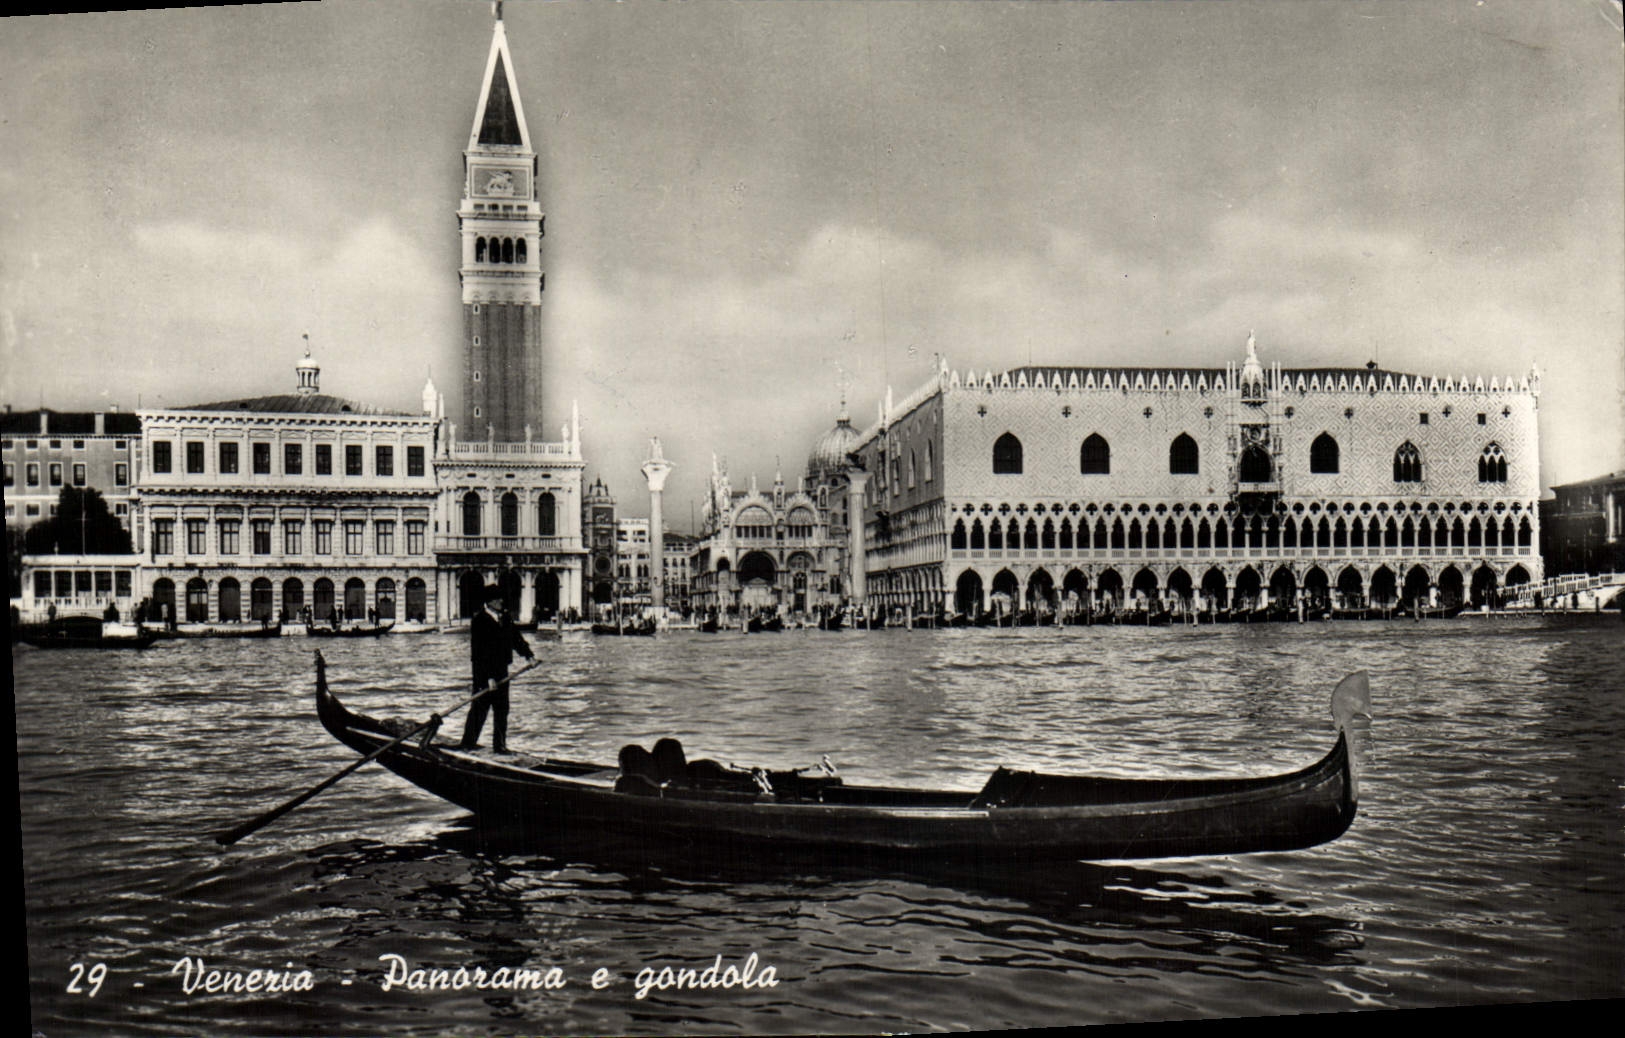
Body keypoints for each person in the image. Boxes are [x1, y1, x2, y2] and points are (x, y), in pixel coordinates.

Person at [460, 584, 534, 753]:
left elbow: (516, 639)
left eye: (500, 598)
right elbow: (478, 653)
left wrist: (529, 655)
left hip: (502, 672)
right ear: (489, 602)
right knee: (480, 710)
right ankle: (467, 743)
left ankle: (499, 746)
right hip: (483, 674)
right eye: (497, 599)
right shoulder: (479, 621)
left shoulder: (505, 618)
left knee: (502, 710)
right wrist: (488, 678)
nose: (501, 601)